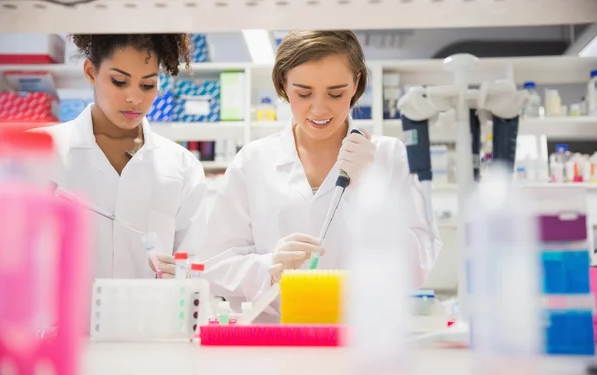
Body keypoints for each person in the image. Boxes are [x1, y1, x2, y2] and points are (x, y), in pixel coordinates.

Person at [199, 30, 441, 321]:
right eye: (303, 93)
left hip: (362, 335)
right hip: (275, 338)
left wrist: (369, 185)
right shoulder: (253, 161)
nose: (319, 108)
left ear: (356, 84)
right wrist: (270, 265)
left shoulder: (389, 157)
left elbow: (418, 266)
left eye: (335, 93)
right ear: (282, 85)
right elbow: (214, 266)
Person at [43, 34, 207, 280]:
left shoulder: (183, 167)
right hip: (64, 319)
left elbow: (196, 262)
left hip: (151, 316)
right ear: (90, 72)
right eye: (119, 81)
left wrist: (185, 276)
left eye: (147, 85)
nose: (134, 98)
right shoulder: (44, 153)